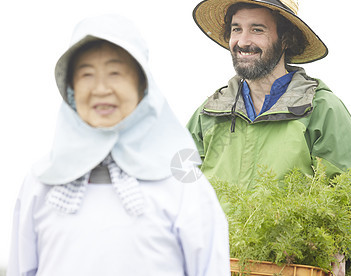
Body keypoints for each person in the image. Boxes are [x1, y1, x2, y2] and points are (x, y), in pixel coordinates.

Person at [7, 14, 230, 276]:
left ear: (142, 86)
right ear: (70, 89)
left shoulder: (182, 184)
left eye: (115, 73)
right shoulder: (42, 182)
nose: (101, 89)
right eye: (86, 74)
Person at [187, 0, 351, 274]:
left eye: (257, 29)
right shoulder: (209, 112)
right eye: (236, 29)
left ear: (286, 39)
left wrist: (343, 252)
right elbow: (173, 180)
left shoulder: (321, 108)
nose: (243, 41)